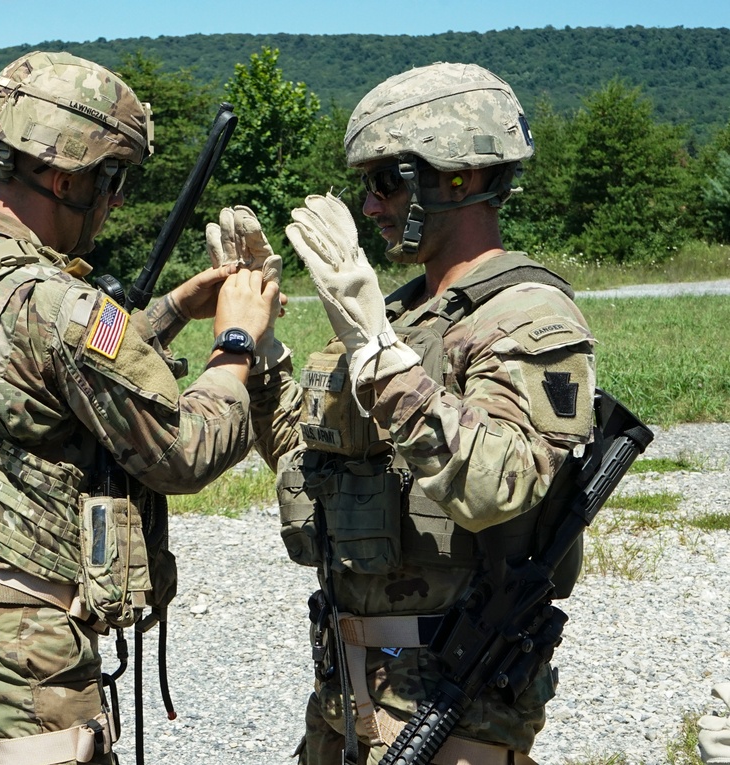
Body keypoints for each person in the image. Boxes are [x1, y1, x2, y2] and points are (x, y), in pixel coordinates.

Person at [0, 51, 276, 765]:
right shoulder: (58, 302)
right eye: (110, 181)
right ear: (64, 177)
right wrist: (236, 348)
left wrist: (174, 308)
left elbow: (42, 369)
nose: (114, 202)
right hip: (31, 656)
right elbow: (182, 451)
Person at [234, 62, 597, 764]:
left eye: (384, 182)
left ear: (455, 178)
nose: (371, 207)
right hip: (350, 696)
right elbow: (309, 460)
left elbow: (502, 482)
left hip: (453, 704)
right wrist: (262, 350)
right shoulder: (403, 314)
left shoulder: (527, 317)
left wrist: (376, 350)